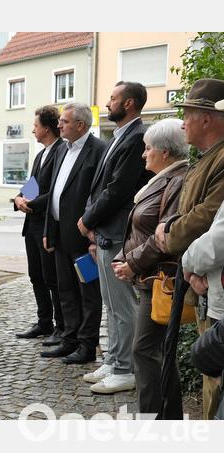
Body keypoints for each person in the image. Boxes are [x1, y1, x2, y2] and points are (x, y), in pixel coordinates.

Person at [155, 78, 224, 419]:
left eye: (188, 113)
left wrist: (171, 238)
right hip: (202, 278)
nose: (183, 121)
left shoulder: (221, 159)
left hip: (212, 281)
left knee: (214, 377)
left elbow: (207, 220)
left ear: (208, 118)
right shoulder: (208, 157)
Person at [110, 118, 188, 414]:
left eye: (148, 148)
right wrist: (123, 257)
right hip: (149, 276)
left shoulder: (177, 180)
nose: (144, 154)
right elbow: (141, 230)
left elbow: (163, 236)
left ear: (164, 152)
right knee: (155, 351)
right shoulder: (162, 179)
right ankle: (163, 418)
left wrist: (130, 263)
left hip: (160, 278)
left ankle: (156, 421)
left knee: (145, 350)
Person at [78, 82, 152, 393]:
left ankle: (126, 369)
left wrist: (88, 219)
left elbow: (118, 190)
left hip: (119, 232)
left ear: (130, 103)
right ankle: (114, 359)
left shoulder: (137, 137)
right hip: (105, 231)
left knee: (122, 306)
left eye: (113, 98)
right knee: (111, 304)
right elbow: (100, 188)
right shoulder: (120, 135)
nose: (108, 103)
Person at [41, 102, 106, 364]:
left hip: (83, 237)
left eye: (64, 122)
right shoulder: (58, 151)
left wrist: (93, 231)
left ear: (80, 125)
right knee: (65, 290)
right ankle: (69, 339)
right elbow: (53, 190)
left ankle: (87, 344)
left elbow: (100, 195)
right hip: (59, 234)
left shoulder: (98, 150)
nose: (59, 125)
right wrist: (49, 228)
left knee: (88, 293)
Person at [14, 106, 65, 343]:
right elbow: (32, 185)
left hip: (47, 224)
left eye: (35, 126)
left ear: (46, 128)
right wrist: (18, 198)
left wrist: (31, 204)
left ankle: (60, 326)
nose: (33, 130)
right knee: (36, 275)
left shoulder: (61, 152)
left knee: (51, 277)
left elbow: (56, 191)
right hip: (31, 225)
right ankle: (44, 322)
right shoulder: (41, 154)